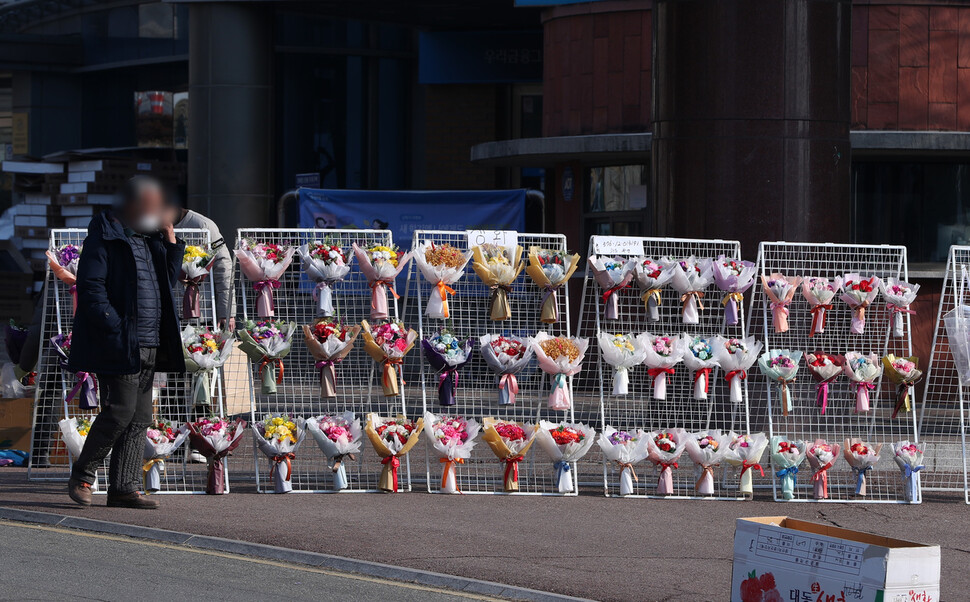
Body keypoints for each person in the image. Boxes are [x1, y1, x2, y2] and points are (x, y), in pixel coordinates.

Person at [67, 176, 186, 509]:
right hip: (121, 342)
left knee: (139, 418)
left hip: (150, 342)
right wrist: (116, 327)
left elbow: (168, 279)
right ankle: (83, 474)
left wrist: (169, 237)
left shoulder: (149, 239)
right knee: (119, 411)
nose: (155, 212)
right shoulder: (104, 238)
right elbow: (91, 291)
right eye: (149, 206)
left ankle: (124, 487)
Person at [170, 205, 235, 331]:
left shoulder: (204, 225)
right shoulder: (151, 226)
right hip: (167, 314)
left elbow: (223, 268)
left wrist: (227, 312)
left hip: (203, 314)